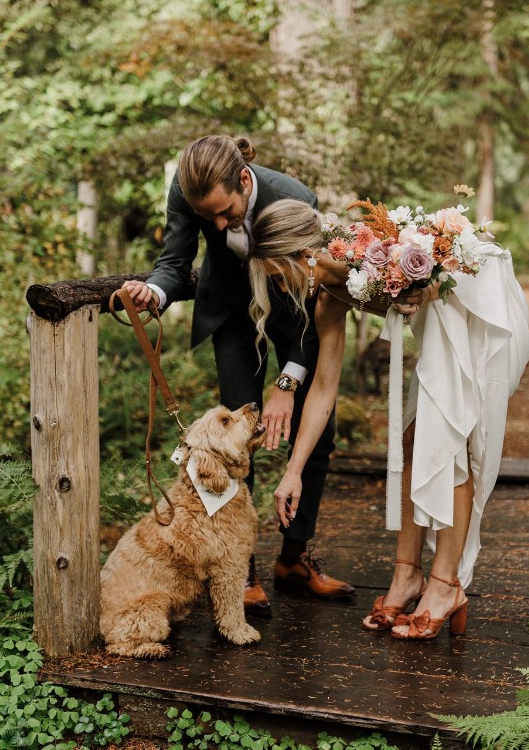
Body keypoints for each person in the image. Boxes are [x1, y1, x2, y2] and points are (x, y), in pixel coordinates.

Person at [245, 198, 529, 640]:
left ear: (303, 256)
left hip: (480, 314)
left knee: (450, 440)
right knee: (415, 441)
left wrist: (425, 286)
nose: (281, 292)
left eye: (279, 278)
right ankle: (407, 575)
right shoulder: (329, 298)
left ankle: (444, 586)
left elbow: (438, 285)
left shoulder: (373, 253)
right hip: (439, 331)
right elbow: (323, 388)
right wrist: (293, 472)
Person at [118, 136, 355, 617]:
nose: (220, 226)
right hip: (231, 316)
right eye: (210, 219)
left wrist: (287, 384)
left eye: (227, 214)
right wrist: (153, 294)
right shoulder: (187, 191)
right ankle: (237, 567)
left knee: (319, 433)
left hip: (293, 317)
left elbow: (317, 302)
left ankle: (294, 557)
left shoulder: (295, 199)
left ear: (244, 180)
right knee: (228, 446)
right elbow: (174, 263)